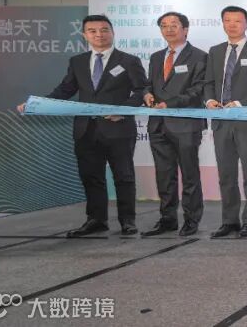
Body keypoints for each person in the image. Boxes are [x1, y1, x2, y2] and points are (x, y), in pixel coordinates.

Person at [18, 14, 147, 237]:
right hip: (85, 130)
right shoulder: (77, 61)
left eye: (104, 30)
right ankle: (96, 220)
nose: (99, 35)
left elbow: (141, 91)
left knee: (123, 176)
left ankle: (127, 221)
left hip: (118, 128)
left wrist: (123, 110)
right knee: (91, 176)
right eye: (93, 31)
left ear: (112, 32)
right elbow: (64, 90)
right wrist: (37, 104)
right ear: (84, 35)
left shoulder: (129, 61)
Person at [203, 6, 247, 239]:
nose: (232, 25)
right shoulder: (215, 51)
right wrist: (210, 100)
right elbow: (208, 82)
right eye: (227, 20)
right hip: (221, 122)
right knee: (226, 175)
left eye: (237, 21)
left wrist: (240, 103)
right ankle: (229, 221)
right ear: (223, 23)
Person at [141, 12, 208, 237]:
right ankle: (167, 219)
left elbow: (199, 89)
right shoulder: (156, 57)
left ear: (185, 29)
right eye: (164, 25)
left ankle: (191, 219)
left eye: (174, 25)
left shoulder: (199, 56)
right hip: (158, 125)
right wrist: (147, 94)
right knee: (164, 175)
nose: (169, 29)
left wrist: (170, 104)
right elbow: (148, 84)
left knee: (189, 175)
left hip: (186, 125)